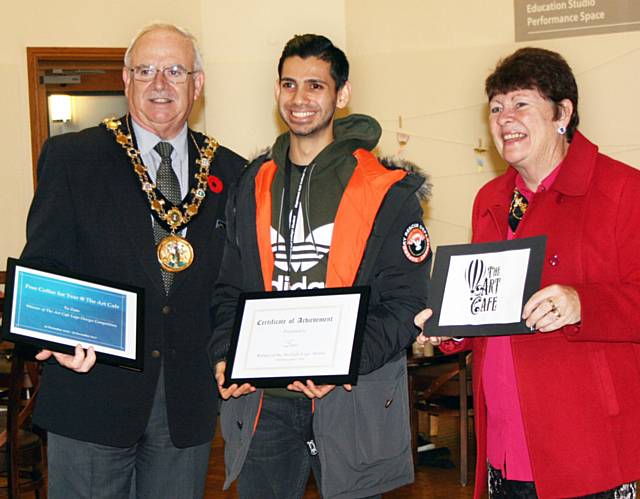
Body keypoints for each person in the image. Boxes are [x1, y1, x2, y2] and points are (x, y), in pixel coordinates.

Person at [21, 23, 244, 498]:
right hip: (91, 391)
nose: (159, 84)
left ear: (197, 84)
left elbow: (233, 285)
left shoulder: (231, 170)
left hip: (185, 404)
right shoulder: (73, 158)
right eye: (145, 70)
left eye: (174, 70)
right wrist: (51, 336)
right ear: (125, 79)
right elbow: (44, 267)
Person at [209, 34, 431, 499]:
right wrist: (224, 352)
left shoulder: (387, 191)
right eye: (289, 85)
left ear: (341, 95)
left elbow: (406, 304)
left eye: (315, 86)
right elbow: (228, 287)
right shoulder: (252, 184)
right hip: (263, 406)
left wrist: (343, 364)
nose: (300, 99)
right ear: (276, 91)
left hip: (352, 399)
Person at [415, 47, 640, 499]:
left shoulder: (623, 190)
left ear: (563, 112)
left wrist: (583, 303)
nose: (504, 118)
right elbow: (490, 303)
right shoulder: (489, 200)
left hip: (586, 448)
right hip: (502, 444)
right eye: (496, 108)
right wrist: (448, 328)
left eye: (520, 103)